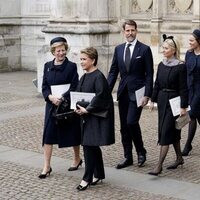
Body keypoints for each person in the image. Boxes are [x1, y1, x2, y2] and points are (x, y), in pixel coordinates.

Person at [107, 19, 154, 169]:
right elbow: (113, 71)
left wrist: (147, 94)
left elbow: (149, 74)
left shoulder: (144, 49)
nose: (130, 33)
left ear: (136, 31)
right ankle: (128, 156)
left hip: (138, 93)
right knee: (123, 127)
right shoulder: (119, 49)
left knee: (131, 122)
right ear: (123, 32)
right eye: (127, 30)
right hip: (123, 93)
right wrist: (106, 91)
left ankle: (141, 151)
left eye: (132, 30)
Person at [38, 37, 82, 179]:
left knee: (73, 133)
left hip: (66, 105)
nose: (61, 53)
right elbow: (44, 86)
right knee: (48, 135)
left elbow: (75, 86)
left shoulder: (72, 66)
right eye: (58, 51)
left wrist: (62, 97)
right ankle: (46, 166)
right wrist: (50, 97)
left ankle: (77, 159)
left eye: (63, 50)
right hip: (51, 106)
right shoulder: (47, 66)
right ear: (53, 51)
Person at [75, 47, 115, 191]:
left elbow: (102, 97)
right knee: (91, 145)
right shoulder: (84, 76)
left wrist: (88, 109)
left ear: (93, 60)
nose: (81, 62)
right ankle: (99, 174)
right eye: (81, 59)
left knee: (88, 145)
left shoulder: (98, 77)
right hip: (85, 116)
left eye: (84, 59)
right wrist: (76, 107)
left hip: (94, 116)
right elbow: (78, 95)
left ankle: (87, 178)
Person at [148, 34, 188, 176]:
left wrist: (183, 106)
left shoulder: (181, 67)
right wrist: (152, 100)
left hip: (174, 102)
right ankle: (179, 158)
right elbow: (157, 83)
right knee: (172, 131)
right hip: (162, 99)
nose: (163, 50)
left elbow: (184, 88)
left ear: (174, 50)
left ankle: (159, 166)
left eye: (166, 48)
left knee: (165, 132)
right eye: (162, 48)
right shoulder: (161, 65)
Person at [181, 29, 200, 156]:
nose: (190, 42)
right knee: (196, 116)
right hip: (190, 89)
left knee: (192, 115)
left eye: (192, 40)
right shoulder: (189, 54)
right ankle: (188, 145)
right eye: (190, 40)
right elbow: (186, 72)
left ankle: (188, 145)